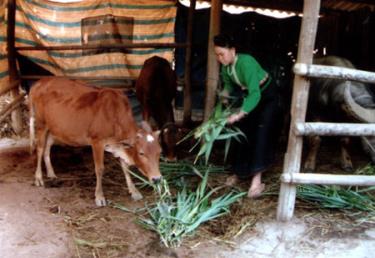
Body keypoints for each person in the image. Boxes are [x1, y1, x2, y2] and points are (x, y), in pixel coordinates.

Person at [213, 33, 283, 198]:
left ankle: (256, 181)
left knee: (261, 133)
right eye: (216, 55)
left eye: (221, 54)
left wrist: (239, 114)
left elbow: (255, 94)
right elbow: (228, 86)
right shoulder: (226, 67)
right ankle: (239, 172)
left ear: (233, 50)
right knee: (242, 132)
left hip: (267, 97)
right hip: (251, 98)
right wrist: (223, 98)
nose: (219, 58)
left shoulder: (246, 63)